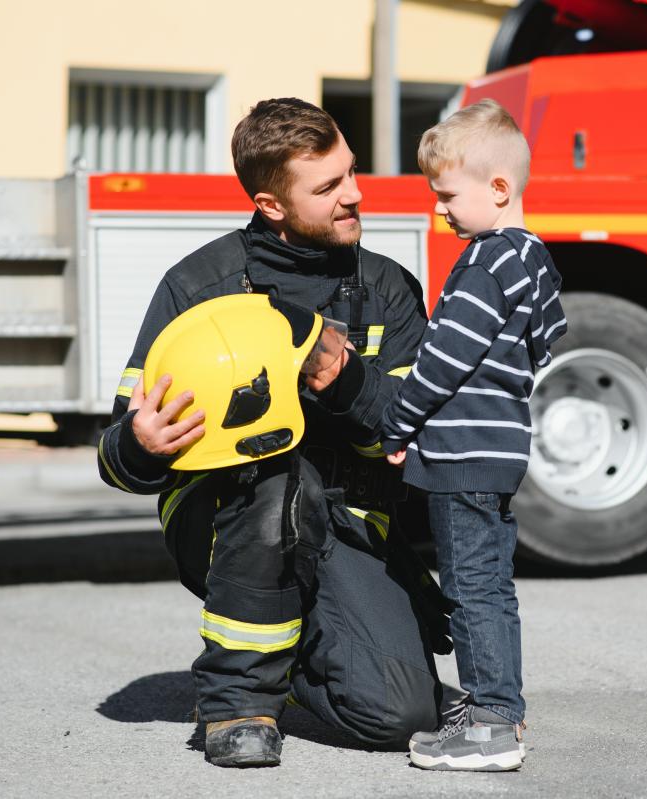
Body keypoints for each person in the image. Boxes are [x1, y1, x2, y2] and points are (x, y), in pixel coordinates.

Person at [96, 97, 451, 768]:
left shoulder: (387, 289)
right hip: (225, 517)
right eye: (329, 187)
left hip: (347, 524)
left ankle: (287, 657)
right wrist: (139, 444)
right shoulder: (198, 288)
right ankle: (236, 703)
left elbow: (422, 439)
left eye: (350, 172)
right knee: (276, 475)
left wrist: (345, 382)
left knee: (400, 712)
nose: (355, 194)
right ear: (271, 205)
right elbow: (116, 455)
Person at [379, 98, 567, 772]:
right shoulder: (533, 260)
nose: (441, 210)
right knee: (495, 588)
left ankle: (487, 725)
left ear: (497, 188)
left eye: (447, 195)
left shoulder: (484, 264)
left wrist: (399, 424)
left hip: (459, 456)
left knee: (469, 589)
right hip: (500, 452)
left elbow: (441, 361)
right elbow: (547, 343)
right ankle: (505, 707)